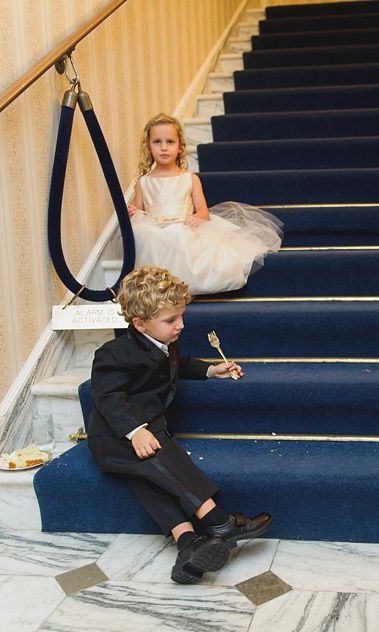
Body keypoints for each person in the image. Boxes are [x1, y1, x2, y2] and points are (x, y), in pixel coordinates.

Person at [88, 265, 272, 584]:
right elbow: (107, 398)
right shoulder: (113, 354)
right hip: (114, 435)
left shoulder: (164, 341)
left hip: (149, 425)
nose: (181, 326)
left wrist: (210, 371)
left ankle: (187, 546)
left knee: (148, 479)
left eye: (181, 316)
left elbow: (177, 366)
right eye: (171, 320)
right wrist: (135, 432)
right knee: (166, 458)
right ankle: (218, 521)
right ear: (139, 323)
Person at [128, 113, 283, 295]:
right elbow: (139, 212)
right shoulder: (143, 182)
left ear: (179, 147)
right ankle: (160, 284)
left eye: (170, 142)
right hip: (155, 229)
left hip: (183, 226)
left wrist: (195, 218)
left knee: (177, 234)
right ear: (148, 146)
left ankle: (182, 284)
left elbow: (203, 211)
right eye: (157, 142)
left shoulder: (189, 178)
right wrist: (132, 212)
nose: (164, 147)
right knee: (141, 231)